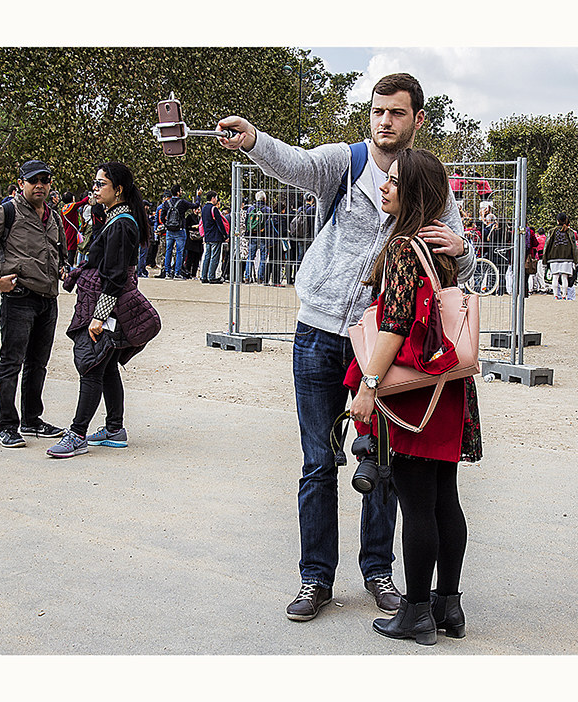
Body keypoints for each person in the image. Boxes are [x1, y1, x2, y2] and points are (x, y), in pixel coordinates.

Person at [216, 72, 475, 622]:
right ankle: (316, 578)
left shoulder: (429, 180)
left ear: (417, 120)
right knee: (318, 463)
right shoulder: (347, 162)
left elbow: (452, 262)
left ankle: (378, 571)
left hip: (379, 342)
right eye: (379, 111)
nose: (385, 121)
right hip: (317, 331)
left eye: (397, 113)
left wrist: (464, 246)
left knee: (381, 466)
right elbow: (295, 164)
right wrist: (254, 139)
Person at [346, 148, 480, 645]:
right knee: (445, 498)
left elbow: (396, 327)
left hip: (413, 392)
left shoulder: (405, 248)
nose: (384, 185)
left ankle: (416, 611)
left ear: (414, 192)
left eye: (394, 181)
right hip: (446, 388)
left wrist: (368, 385)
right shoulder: (439, 249)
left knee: (416, 503)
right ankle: (449, 605)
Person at [47, 161, 159, 458]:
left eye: (101, 184)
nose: (94, 189)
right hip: (99, 302)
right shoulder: (115, 219)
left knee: (91, 366)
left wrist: (99, 317)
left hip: (104, 307)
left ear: (118, 189)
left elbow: (115, 275)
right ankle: (114, 429)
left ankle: (78, 433)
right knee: (106, 366)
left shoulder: (121, 224)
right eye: (94, 183)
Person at [0, 160, 66, 448]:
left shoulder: (53, 216)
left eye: (45, 180)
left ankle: (32, 420)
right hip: (19, 299)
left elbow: (57, 251)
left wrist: (62, 267)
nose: (39, 185)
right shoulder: (6, 212)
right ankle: (7, 425)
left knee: (38, 364)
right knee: (11, 363)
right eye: (33, 180)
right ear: (21, 183)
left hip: (48, 300)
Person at [543, 212, 578, 299]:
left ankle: (555, 295)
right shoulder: (570, 232)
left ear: (557, 221)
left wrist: (545, 259)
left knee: (555, 277)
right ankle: (564, 295)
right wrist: (576, 259)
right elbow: (574, 246)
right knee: (565, 277)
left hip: (553, 257)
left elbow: (547, 245)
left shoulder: (552, 231)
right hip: (567, 258)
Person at [200, 191, 228, 284]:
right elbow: (220, 223)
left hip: (207, 236)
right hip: (215, 236)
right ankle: (211, 276)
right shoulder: (214, 209)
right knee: (214, 257)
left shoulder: (204, 209)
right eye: (216, 198)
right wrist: (225, 236)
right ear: (213, 198)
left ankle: (204, 276)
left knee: (207, 256)